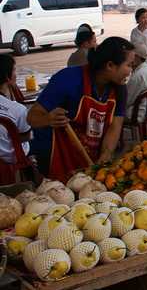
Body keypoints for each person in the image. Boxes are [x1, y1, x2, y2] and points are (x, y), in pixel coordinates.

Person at [27, 37, 133, 180]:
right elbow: (32, 117)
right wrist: (48, 119)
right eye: (129, 65)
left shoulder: (120, 90)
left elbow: (115, 126)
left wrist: (106, 155)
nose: (130, 71)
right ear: (110, 65)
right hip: (59, 157)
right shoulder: (68, 79)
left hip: (91, 157)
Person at [0, 54, 33, 183]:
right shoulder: (17, 109)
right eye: (14, 70)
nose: (16, 74)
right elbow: (25, 137)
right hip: (9, 158)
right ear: (7, 77)